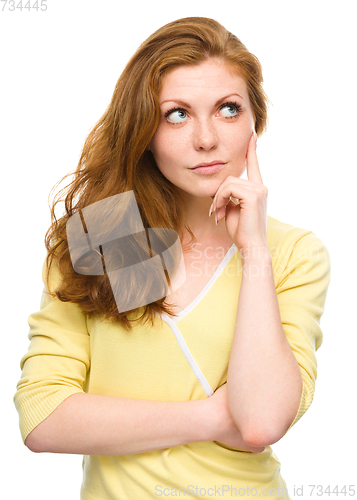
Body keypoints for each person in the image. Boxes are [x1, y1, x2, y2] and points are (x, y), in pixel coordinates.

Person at [14, 16, 331, 500]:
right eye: (177, 114)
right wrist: (211, 416)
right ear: (143, 129)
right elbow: (44, 417)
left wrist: (253, 250)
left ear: (255, 122)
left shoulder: (289, 253)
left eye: (228, 109)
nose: (206, 139)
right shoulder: (113, 236)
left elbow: (262, 421)